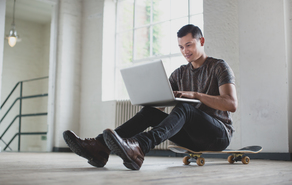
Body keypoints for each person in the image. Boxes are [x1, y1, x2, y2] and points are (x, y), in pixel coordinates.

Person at [63, 24, 238, 170]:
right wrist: (148, 96)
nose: (185, 51)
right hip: (192, 138)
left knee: (185, 108)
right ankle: (100, 148)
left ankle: (140, 147)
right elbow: (160, 105)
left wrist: (196, 95)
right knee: (149, 113)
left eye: (189, 45)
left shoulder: (218, 67)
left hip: (218, 135)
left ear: (202, 41)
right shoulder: (179, 74)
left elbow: (231, 104)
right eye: (181, 47)